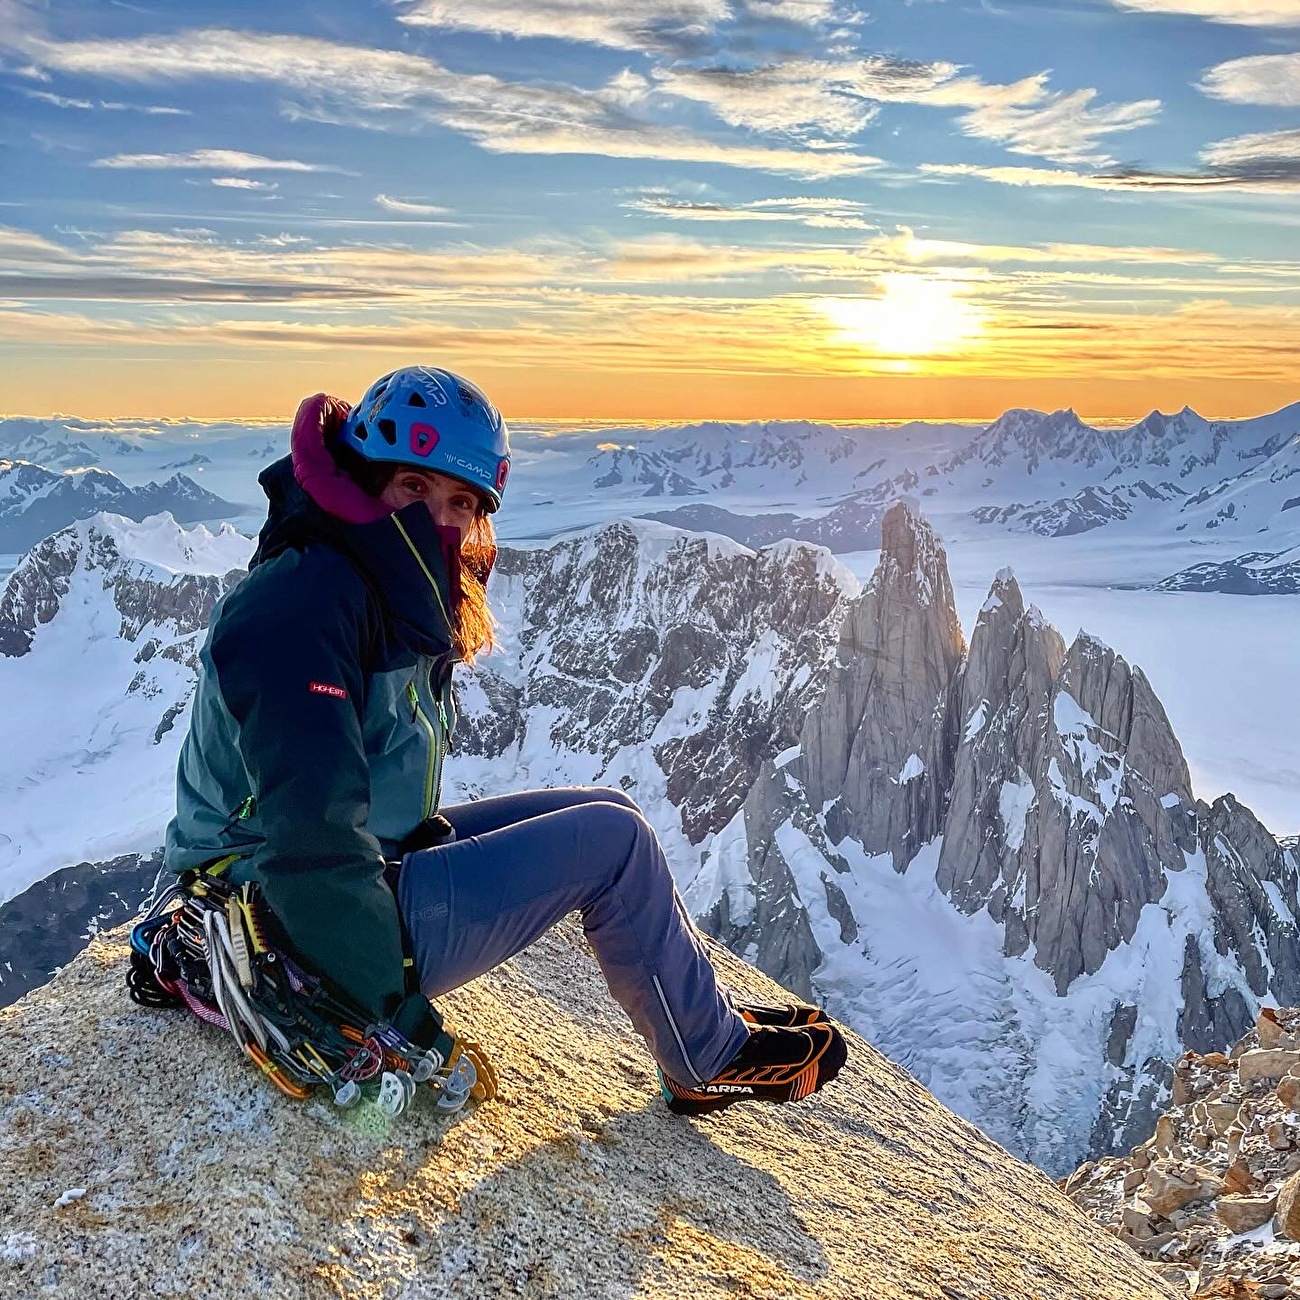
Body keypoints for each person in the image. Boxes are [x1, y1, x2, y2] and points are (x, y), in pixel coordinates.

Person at [164, 365, 846, 1115]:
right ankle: (706, 1057)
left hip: (343, 871)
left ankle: (703, 1023)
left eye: (462, 503)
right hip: (273, 918)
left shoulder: (369, 579)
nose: (442, 521)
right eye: (415, 489)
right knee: (610, 845)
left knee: (610, 810)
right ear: (364, 478)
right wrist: (392, 1019)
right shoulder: (302, 606)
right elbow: (313, 839)